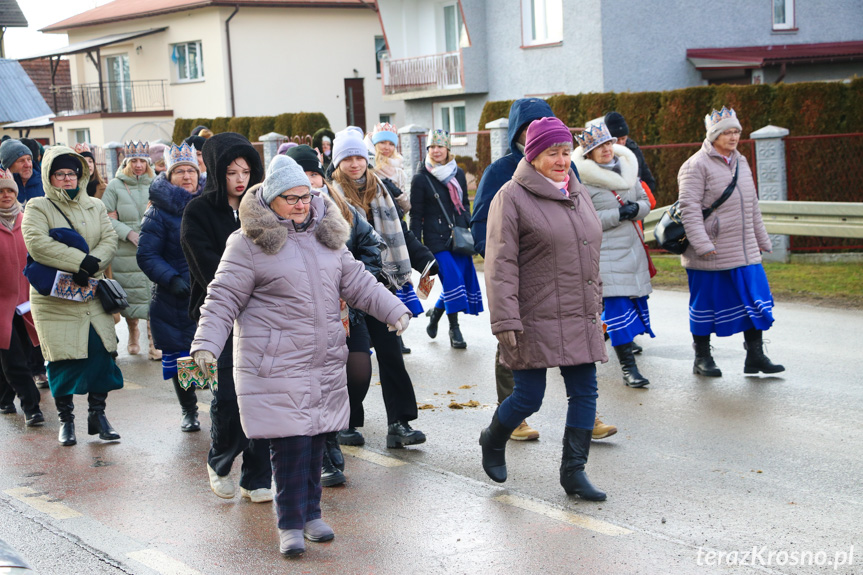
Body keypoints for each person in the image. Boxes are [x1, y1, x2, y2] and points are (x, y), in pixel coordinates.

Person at [190, 155, 409, 557]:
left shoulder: (328, 237)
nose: (300, 204)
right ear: (272, 199)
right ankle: (288, 524)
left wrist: (394, 310)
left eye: (305, 196)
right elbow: (221, 297)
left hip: (322, 361)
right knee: (289, 446)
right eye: (290, 198)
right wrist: (205, 344)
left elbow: (358, 282)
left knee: (313, 442)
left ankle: (310, 515)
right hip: (275, 363)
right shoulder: (248, 243)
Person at [471, 98, 616, 441]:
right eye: (529, 125)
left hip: (569, 287)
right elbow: (484, 231)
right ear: (519, 132)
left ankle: (588, 419)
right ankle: (512, 416)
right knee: (516, 357)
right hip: (526, 288)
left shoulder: (567, 169)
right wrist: (512, 265)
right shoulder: (502, 172)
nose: (561, 160)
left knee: (580, 368)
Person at [328, 126, 436, 449]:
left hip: (381, 287)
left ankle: (399, 423)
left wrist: (425, 259)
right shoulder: (331, 197)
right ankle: (346, 421)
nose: (355, 164)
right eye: (347, 158)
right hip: (347, 291)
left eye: (359, 157)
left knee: (391, 356)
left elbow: (400, 235)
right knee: (353, 362)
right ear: (337, 163)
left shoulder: (380, 190)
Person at [181, 132, 273, 502]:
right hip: (220, 318)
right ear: (218, 173)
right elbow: (206, 268)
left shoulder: (265, 209)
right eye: (232, 171)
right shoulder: (199, 212)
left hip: (265, 318)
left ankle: (257, 476)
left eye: (246, 171)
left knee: (265, 395)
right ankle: (219, 461)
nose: (240, 179)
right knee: (231, 397)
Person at [286, 144, 382, 486]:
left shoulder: (341, 210)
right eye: (300, 176)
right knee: (313, 385)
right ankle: (325, 450)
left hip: (345, 311)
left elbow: (371, 247)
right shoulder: (274, 219)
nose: (308, 183)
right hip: (298, 320)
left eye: (313, 174)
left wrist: (354, 284)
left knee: (356, 373)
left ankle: (336, 425)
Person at [21, 147, 123, 446]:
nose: (67, 179)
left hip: (91, 292)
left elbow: (109, 238)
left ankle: (98, 415)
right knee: (63, 359)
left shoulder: (94, 205)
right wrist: (79, 262)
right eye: (60, 174)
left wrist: (93, 263)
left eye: (72, 173)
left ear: (81, 175)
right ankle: (66, 421)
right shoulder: (38, 207)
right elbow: (38, 244)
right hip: (55, 298)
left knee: (101, 355)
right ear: (49, 177)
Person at [678, 107, 784, 377]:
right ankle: (702, 358)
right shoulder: (695, 165)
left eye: (736, 131)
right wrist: (702, 244)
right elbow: (689, 209)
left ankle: (756, 357)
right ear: (713, 135)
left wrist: (762, 238)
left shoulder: (742, 162)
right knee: (705, 305)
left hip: (745, 250)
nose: (733, 136)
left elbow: (752, 205)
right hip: (710, 251)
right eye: (727, 132)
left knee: (754, 302)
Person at [575, 122, 654, 388]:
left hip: (632, 249)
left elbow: (645, 200)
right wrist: (617, 214)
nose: (607, 149)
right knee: (618, 311)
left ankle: (591, 342)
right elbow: (584, 219)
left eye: (608, 143)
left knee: (625, 308)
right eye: (599, 147)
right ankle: (628, 369)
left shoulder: (628, 169)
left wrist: (636, 209)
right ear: (588, 154)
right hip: (604, 253)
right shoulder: (582, 182)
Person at [137, 143, 204, 432]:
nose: (187, 176)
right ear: (170, 174)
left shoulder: (210, 203)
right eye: (180, 171)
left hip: (210, 291)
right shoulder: (158, 211)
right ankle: (189, 410)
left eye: (191, 170)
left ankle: (220, 404)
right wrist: (171, 279)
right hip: (175, 296)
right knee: (183, 355)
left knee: (215, 352)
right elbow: (147, 254)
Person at [411, 129, 483, 349]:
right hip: (435, 239)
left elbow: (464, 203)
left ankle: (435, 315)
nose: (436, 151)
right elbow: (415, 214)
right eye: (432, 147)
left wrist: (469, 224)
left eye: (440, 147)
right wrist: (415, 245)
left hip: (458, 238)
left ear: (448, 149)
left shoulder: (457, 173)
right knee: (452, 280)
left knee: (458, 280)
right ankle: (455, 330)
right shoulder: (421, 177)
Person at [101, 142, 159, 359]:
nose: (138, 165)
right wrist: (129, 233)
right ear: (126, 162)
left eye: (142, 161)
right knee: (130, 295)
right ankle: (133, 332)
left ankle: (154, 342)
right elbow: (106, 216)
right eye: (134, 161)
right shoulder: (115, 186)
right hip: (125, 251)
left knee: (154, 294)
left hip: (152, 246)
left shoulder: (156, 183)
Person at [0, 169, 43, 426]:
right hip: (1, 304)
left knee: (24, 354)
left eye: (9, 191)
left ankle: (4, 397)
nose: (5, 195)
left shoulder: (27, 220)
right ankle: (32, 406)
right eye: (0, 191)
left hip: (28, 301)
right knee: (12, 356)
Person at [602, 112, 657, 198]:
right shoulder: (603, 155)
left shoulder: (634, 149)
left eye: (623, 138)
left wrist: (645, 196)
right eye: (617, 139)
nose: (621, 143)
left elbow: (647, 176)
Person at [0, 139, 44, 204]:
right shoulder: (2, 185)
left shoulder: (43, 183)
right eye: (21, 161)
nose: (27, 165)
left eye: (29, 159)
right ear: (9, 166)